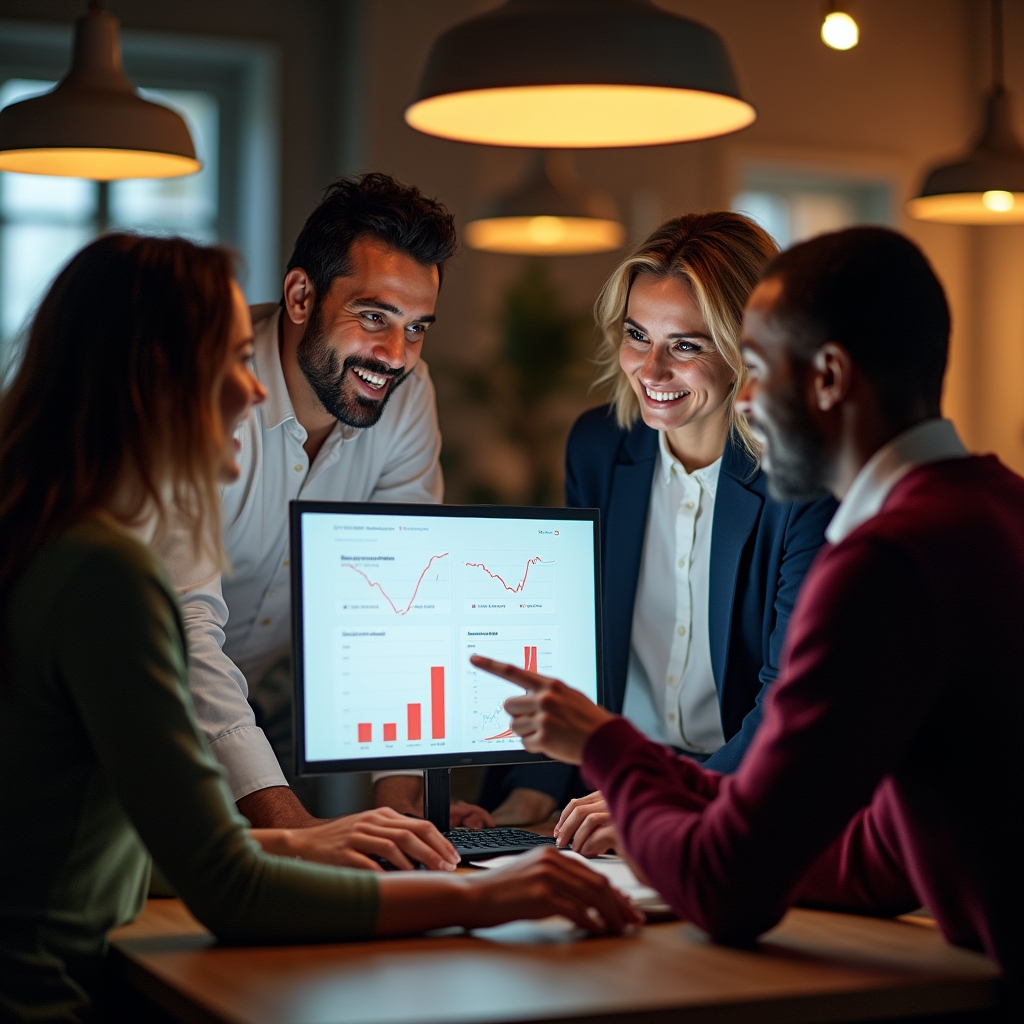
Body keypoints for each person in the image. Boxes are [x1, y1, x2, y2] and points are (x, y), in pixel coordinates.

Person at [0, 234, 640, 1023]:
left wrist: (299, 844)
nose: (256, 392)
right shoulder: (109, 575)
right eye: (235, 361)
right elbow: (227, 891)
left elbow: (127, 854)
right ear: (158, 382)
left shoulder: (52, 541)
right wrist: (487, 897)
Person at [471, 226, 1022, 1014]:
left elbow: (730, 889)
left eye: (755, 368)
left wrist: (610, 752)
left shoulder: (882, 562)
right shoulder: (997, 508)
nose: (747, 401)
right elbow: (890, 850)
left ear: (829, 377)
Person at [157, 173, 493, 841]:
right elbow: (185, 633)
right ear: (302, 295)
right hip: (134, 704)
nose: (394, 357)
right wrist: (300, 832)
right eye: (373, 316)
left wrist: (403, 804)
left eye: (416, 327)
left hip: (254, 698)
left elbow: (404, 603)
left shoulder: (407, 393)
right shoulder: (208, 385)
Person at [483, 212, 835, 837]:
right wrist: (527, 798)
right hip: (605, 787)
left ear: (748, 352)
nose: (651, 370)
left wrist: (664, 800)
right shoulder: (596, 447)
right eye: (638, 334)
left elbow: (789, 697)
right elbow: (569, 644)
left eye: (687, 345)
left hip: (741, 794)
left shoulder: (803, 483)